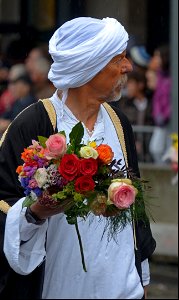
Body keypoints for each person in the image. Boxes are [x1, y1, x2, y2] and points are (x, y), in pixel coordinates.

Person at [0, 17, 156, 299]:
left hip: (123, 290)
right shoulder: (32, 124)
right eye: (118, 59)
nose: (128, 67)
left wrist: (141, 278)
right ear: (90, 69)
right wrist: (35, 213)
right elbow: (4, 204)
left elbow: (136, 213)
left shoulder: (120, 123)